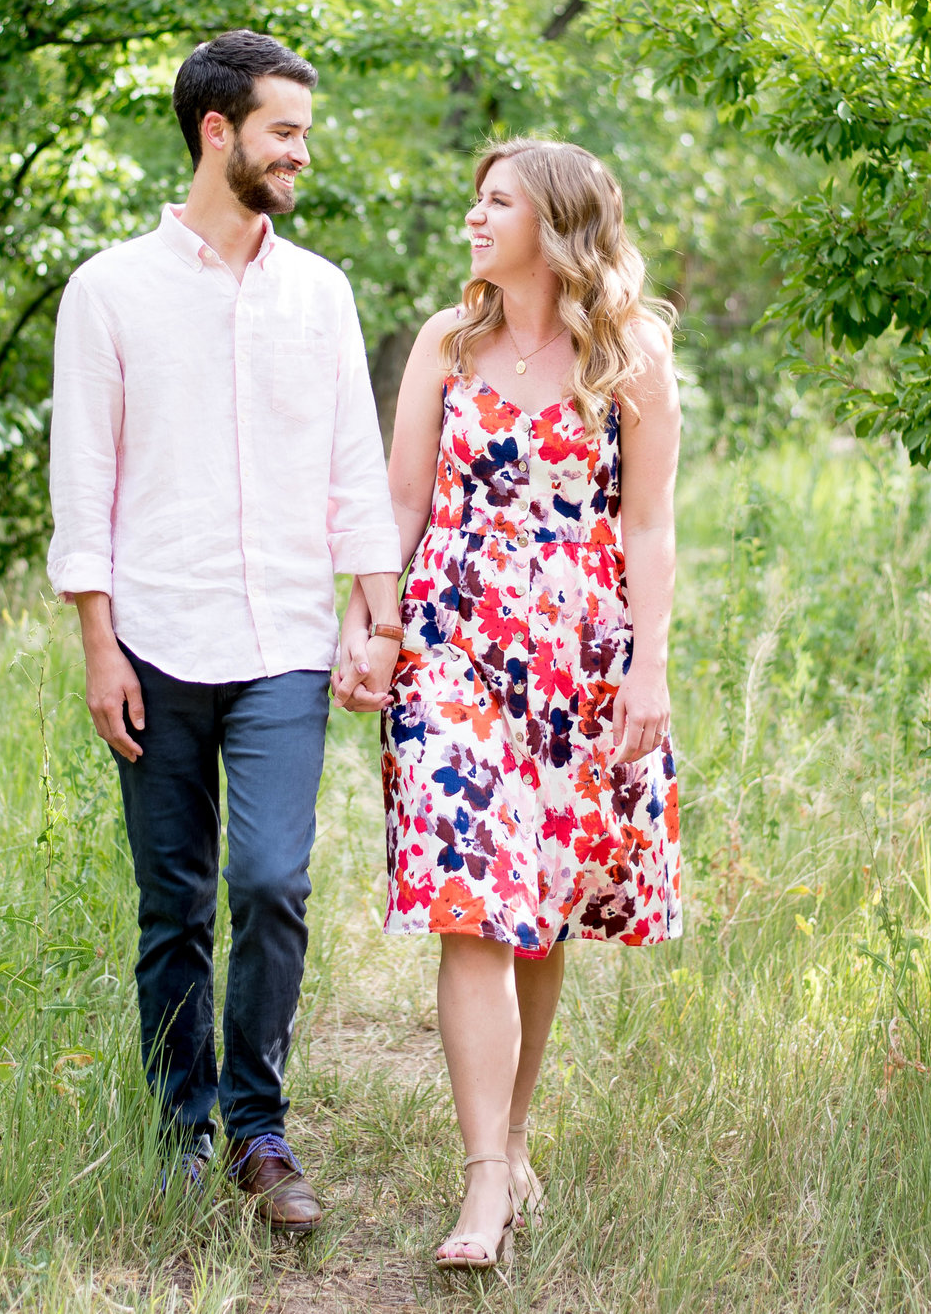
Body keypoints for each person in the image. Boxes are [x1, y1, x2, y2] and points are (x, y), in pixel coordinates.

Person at [47, 30, 405, 1231]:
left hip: (286, 645)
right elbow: (82, 481)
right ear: (219, 133)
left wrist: (377, 618)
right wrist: (98, 646)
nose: (302, 152)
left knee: (268, 883)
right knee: (172, 900)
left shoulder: (321, 291)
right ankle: (177, 1131)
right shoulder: (109, 289)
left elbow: (355, 466)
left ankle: (259, 1127)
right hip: (153, 636)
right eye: (285, 131)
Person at [334, 137, 684, 1271]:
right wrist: (368, 623)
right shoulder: (448, 339)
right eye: (476, 199)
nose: (475, 219)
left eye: (497, 202)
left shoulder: (628, 352)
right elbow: (394, 504)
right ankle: (484, 1176)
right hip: (450, 642)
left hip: (578, 654)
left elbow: (648, 526)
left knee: (535, 902)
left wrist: (649, 667)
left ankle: (514, 1133)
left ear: (557, 221)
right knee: (468, 899)